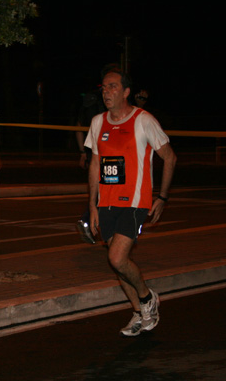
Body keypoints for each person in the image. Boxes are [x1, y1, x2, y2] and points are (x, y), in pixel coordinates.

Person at [84, 66, 176, 337]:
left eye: (113, 87)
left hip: (135, 201)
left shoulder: (143, 120)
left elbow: (169, 157)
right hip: (106, 202)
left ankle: (148, 298)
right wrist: (92, 204)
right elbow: (95, 164)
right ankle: (139, 311)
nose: (107, 92)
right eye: (104, 87)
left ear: (126, 92)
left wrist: (162, 197)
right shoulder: (97, 122)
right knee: (117, 264)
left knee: (116, 257)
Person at [75, 85, 105, 244]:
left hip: (91, 149)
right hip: (106, 150)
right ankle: (90, 221)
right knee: (107, 188)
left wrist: (82, 152)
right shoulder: (105, 101)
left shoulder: (89, 99)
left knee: (101, 187)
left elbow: (78, 127)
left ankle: (88, 220)